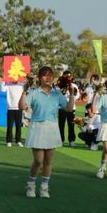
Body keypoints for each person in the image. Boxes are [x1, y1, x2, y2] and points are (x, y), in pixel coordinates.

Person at [19, 66, 75, 198]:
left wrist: (72, 93)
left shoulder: (57, 93)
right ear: (39, 78)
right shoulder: (34, 92)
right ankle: (31, 184)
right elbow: (22, 106)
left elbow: (68, 108)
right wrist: (24, 92)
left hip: (51, 127)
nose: (48, 77)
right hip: (37, 127)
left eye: (50, 75)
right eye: (44, 75)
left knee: (48, 160)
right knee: (38, 160)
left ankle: (44, 188)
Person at [58, 70, 80, 147]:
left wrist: (71, 98)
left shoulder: (74, 86)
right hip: (62, 108)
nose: (68, 78)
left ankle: (71, 140)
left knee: (71, 125)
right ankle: (61, 140)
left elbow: (77, 95)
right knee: (61, 125)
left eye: (69, 76)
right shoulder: (60, 85)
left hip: (71, 108)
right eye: (66, 76)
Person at [0, 76, 24, 147]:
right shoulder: (8, 85)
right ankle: (9, 141)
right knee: (10, 125)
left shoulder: (21, 85)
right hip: (10, 108)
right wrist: (4, 81)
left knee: (18, 125)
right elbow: (2, 89)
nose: (15, 79)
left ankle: (18, 141)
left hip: (19, 108)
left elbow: (27, 91)